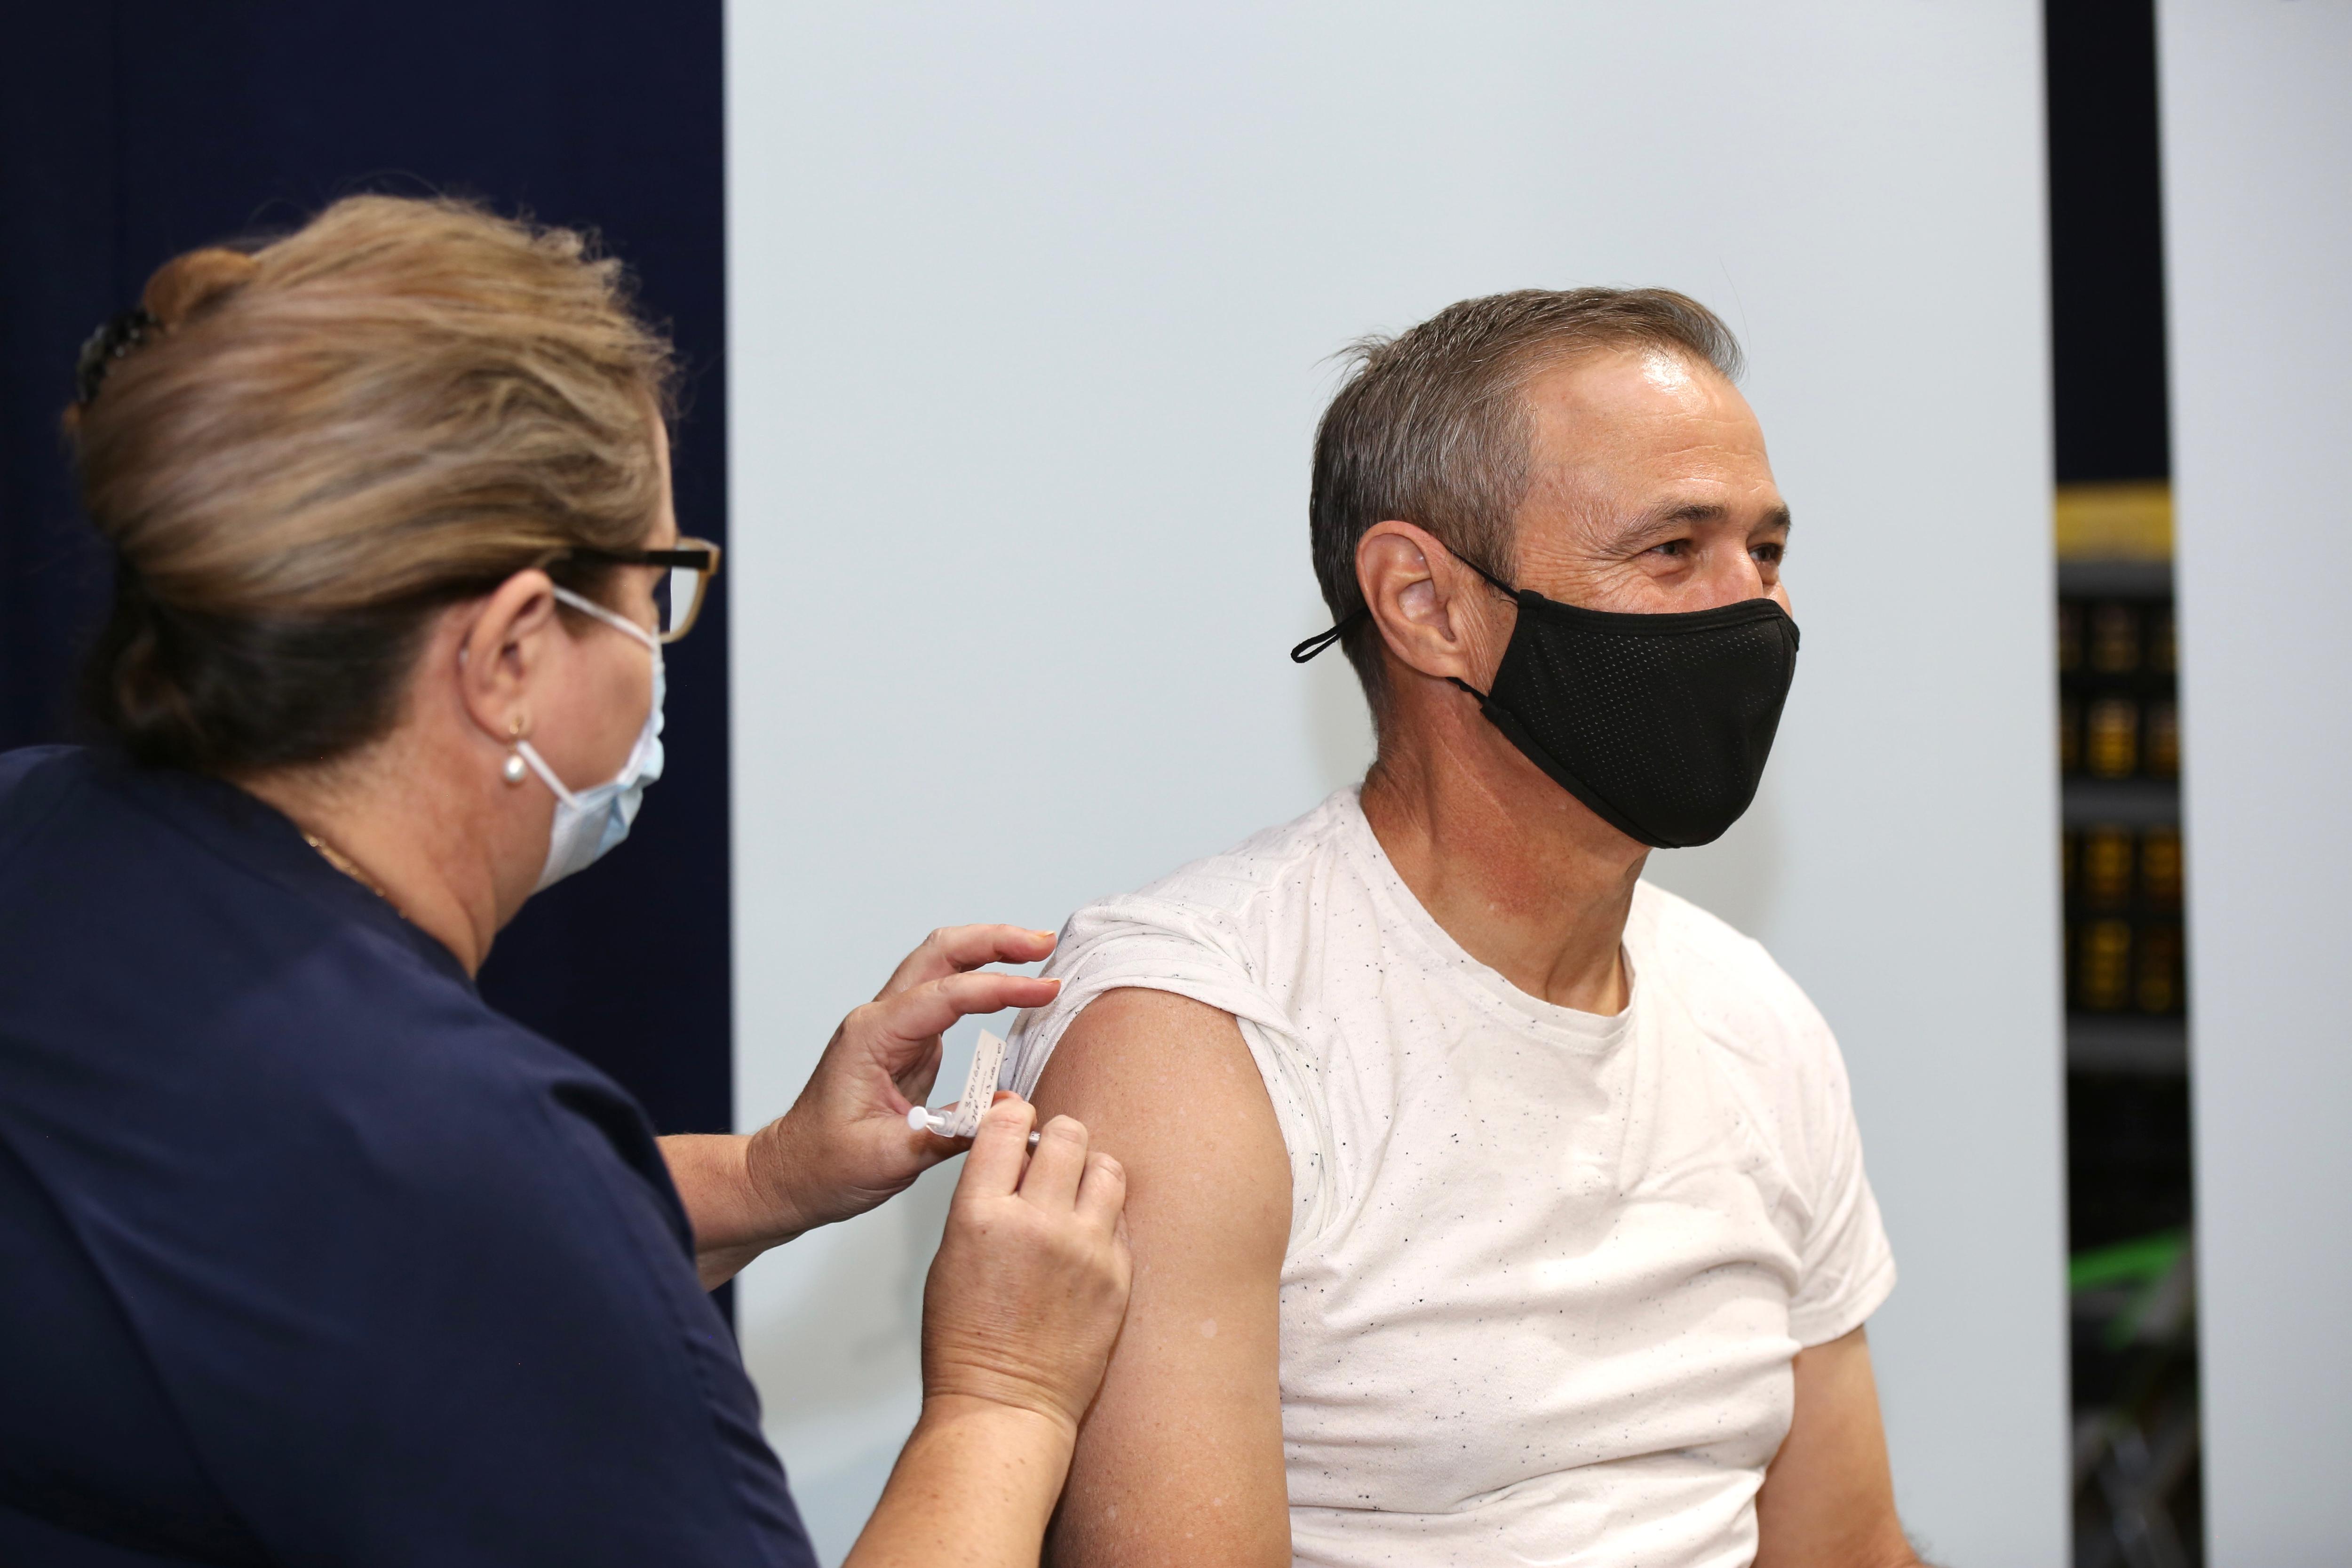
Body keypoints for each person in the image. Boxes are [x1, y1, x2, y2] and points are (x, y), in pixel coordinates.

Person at [0, 195, 1129, 1568]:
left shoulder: (41, 827)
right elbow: (467, 1243)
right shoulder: (453, 1146)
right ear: (514, 653)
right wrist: (1004, 1396)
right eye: (657, 587)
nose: (664, 649)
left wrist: (773, 1177)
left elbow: (332, 1280)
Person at [1005, 290, 1923, 1567]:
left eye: (1765, 552)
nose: (1753, 610)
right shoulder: (1200, 1040)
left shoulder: (1751, 1015)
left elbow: (1847, 1552)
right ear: (1426, 604)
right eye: (1673, 551)